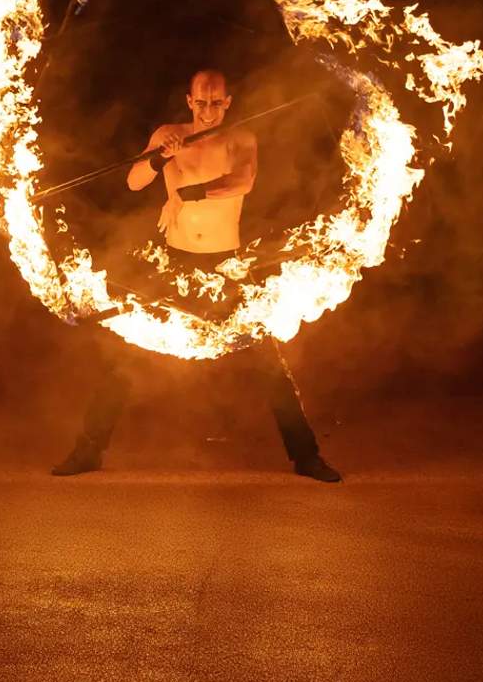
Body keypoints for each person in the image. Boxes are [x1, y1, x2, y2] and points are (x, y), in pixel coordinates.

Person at [52, 70, 341, 482]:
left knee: (267, 362)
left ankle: (306, 456)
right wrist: (160, 157)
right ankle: (88, 450)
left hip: (225, 264)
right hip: (176, 261)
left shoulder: (241, 138)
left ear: (228, 102)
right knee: (124, 355)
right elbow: (134, 182)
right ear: (189, 101)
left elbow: (242, 182)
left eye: (215, 103)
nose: (208, 111)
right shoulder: (168, 134)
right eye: (200, 103)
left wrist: (186, 195)